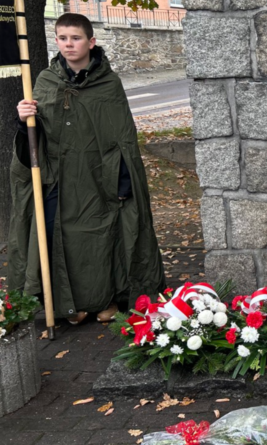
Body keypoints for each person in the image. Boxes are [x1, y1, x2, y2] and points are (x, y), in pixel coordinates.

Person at [9, 13, 165, 325]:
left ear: (91, 42)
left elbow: (122, 137)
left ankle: (106, 299)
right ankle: (71, 305)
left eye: (76, 38)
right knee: (61, 237)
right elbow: (35, 135)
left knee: (104, 235)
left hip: (100, 177)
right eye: (63, 38)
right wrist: (23, 116)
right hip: (60, 178)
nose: (69, 44)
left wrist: (121, 181)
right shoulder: (45, 81)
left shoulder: (109, 83)